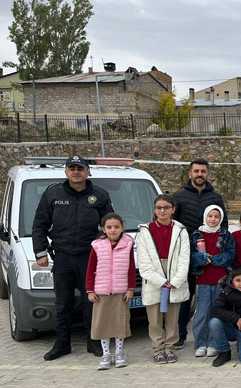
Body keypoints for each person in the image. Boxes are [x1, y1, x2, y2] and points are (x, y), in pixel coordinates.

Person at [32, 155, 115, 360]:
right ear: (66, 172)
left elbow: (111, 226)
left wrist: (108, 251)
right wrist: (40, 252)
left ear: (88, 172)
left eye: (80, 168)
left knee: (91, 301)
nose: (76, 171)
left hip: (90, 256)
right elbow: (39, 224)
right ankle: (62, 344)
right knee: (63, 303)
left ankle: (93, 342)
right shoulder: (53, 194)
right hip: (62, 256)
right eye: (72, 168)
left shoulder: (100, 195)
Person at [173, 158, 227, 350]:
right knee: (186, 296)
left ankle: (215, 336)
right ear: (190, 174)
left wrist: (217, 255)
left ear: (208, 174)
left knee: (210, 300)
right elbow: (175, 225)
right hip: (187, 255)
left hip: (212, 259)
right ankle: (180, 334)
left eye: (203, 171)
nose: (199, 174)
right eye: (196, 171)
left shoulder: (215, 198)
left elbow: (224, 226)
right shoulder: (179, 196)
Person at [136, 194, 191, 365]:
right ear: (154, 209)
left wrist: (176, 279)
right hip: (154, 276)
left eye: (166, 207)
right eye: (159, 207)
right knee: (154, 317)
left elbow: (184, 258)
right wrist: (159, 280)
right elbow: (143, 261)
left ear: (173, 210)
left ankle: (170, 347)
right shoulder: (145, 231)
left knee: (172, 317)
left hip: (174, 273)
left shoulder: (181, 231)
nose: (162, 211)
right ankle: (158, 349)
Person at [86, 213, 135, 370]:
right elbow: (90, 269)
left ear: (122, 228)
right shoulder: (97, 246)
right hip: (102, 292)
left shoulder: (128, 244)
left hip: (120, 292)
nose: (113, 230)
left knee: (119, 323)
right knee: (103, 324)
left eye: (116, 227)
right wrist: (90, 290)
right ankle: (106, 354)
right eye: (109, 227)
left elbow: (131, 269)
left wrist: (130, 288)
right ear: (103, 229)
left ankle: (119, 352)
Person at [190, 205, 236, 358]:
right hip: (202, 280)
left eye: (216, 216)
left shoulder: (225, 235)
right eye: (210, 216)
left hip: (220, 281)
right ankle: (200, 343)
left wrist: (211, 259)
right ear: (205, 217)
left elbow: (229, 255)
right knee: (202, 313)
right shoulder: (197, 234)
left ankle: (214, 343)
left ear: (221, 219)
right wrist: (203, 259)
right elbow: (191, 256)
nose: (213, 219)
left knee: (216, 313)